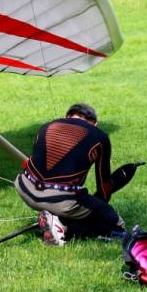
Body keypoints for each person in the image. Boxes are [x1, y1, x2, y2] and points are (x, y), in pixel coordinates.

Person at [15, 103, 126, 246]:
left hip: (23, 188)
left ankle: (54, 218)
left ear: (66, 116)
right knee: (116, 225)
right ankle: (63, 227)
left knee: (80, 205)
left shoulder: (46, 126)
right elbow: (104, 189)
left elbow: (34, 162)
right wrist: (99, 206)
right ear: (95, 124)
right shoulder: (100, 136)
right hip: (61, 201)